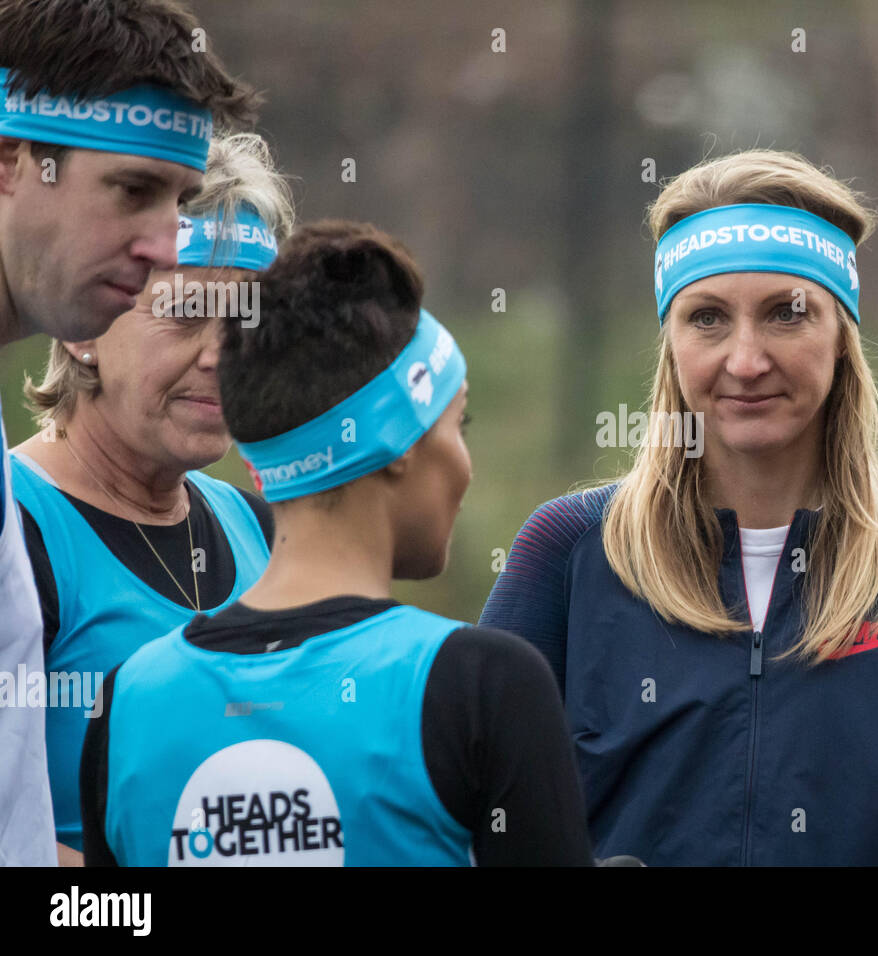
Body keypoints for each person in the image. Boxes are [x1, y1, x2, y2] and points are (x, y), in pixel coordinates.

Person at [481, 149, 878, 865]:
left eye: (787, 313)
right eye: (707, 318)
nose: (746, 360)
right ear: (671, 343)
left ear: (842, 337)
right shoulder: (568, 551)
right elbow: (480, 827)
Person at [80, 221, 593, 866]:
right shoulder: (484, 685)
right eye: (457, 423)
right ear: (399, 444)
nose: (466, 464)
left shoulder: (128, 699)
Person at [0, 0, 256, 866]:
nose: (223, 356)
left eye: (246, 319)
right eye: (187, 314)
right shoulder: (30, 522)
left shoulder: (254, 524)